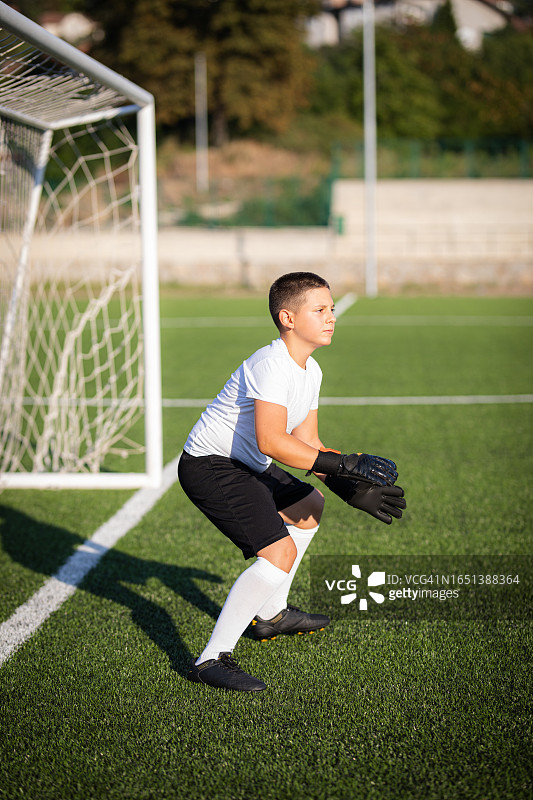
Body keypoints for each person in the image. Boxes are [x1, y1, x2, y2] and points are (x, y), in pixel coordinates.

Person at [178, 272, 405, 692]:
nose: (331, 317)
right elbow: (272, 441)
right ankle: (210, 658)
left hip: (247, 462)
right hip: (210, 464)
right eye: (320, 310)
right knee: (277, 550)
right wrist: (348, 463)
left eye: (332, 309)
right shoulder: (271, 364)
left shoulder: (310, 370)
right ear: (287, 317)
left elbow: (308, 444)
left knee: (308, 506)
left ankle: (271, 616)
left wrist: (349, 486)